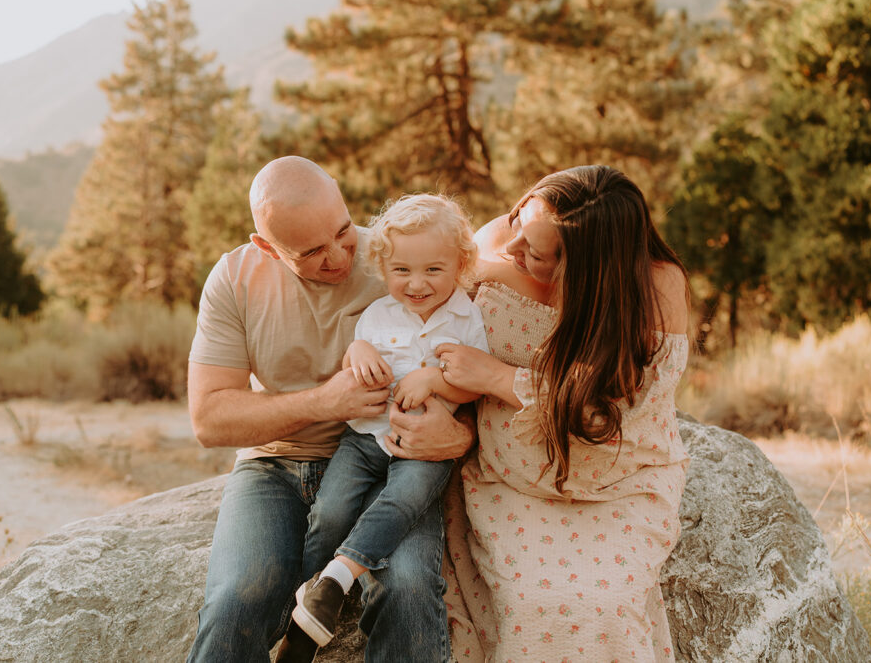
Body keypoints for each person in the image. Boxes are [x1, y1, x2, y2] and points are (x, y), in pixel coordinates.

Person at [185, 156, 472, 663]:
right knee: (236, 599)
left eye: (343, 232)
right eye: (313, 251)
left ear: (340, 193)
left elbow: (463, 355)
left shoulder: (398, 260)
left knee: (407, 589)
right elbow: (209, 419)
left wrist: (462, 436)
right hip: (273, 467)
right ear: (267, 247)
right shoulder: (234, 277)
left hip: (389, 464)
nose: (339, 256)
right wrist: (324, 401)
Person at [435, 165, 691, 661]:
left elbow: (621, 417)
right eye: (518, 221)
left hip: (616, 482)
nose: (510, 249)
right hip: (506, 482)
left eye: (535, 253)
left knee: (604, 605)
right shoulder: (497, 238)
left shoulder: (657, 291)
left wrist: (499, 379)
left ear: (588, 270)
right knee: (531, 603)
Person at [289, 194, 490, 649]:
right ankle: (314, 592)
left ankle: (339, 577)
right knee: (330, 508)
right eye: (402, 271)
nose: (417, 284)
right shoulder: (379, 314)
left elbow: (473, 386)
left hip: (425, 448)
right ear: (384, 268)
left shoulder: (466, 317)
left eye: (433, 270)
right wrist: (357, 352)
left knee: (402, 503)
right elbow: (357, 355)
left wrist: (434, 380)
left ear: (459, 265)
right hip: (364, 439)